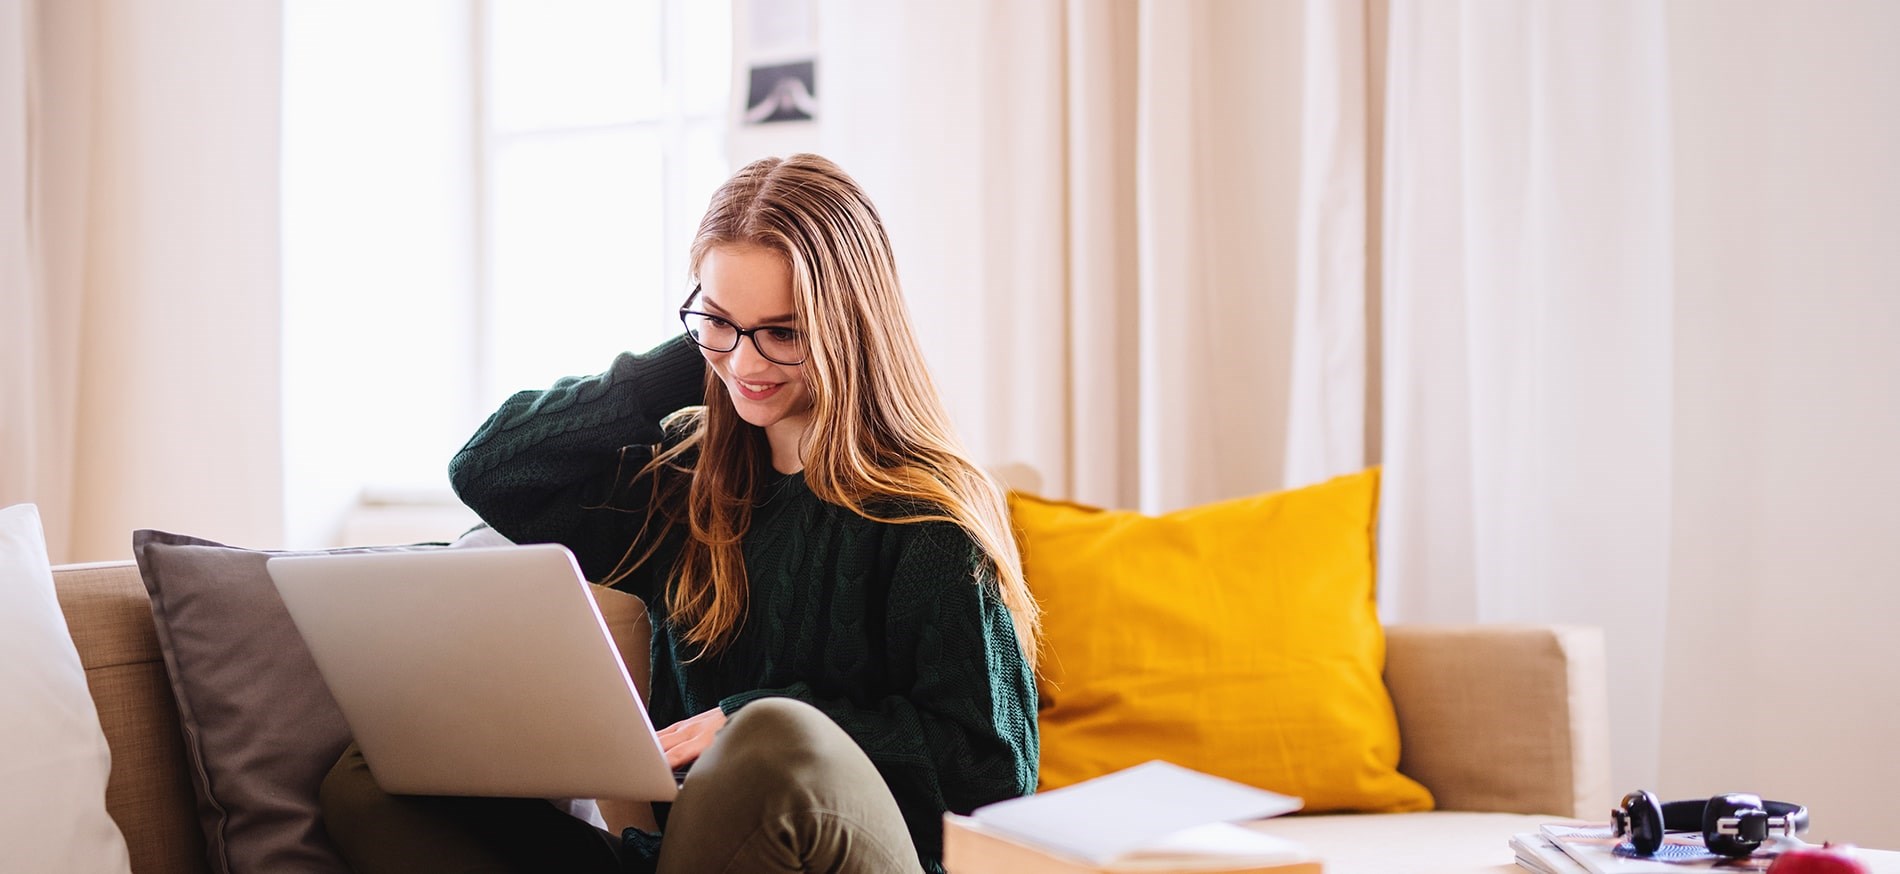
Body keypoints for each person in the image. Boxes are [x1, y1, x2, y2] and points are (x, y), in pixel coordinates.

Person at [318, 153, 1041, 874]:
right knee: (376, 779)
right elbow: (491, 470)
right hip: (684, 859)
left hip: (845, 857)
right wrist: (690, 360)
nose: (748, 365)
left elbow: (993, 768)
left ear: (849, 327)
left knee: (771, 744)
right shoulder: (685, 480)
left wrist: (747, 718)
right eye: (719, 321)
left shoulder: (927, 515)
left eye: (783, 333)